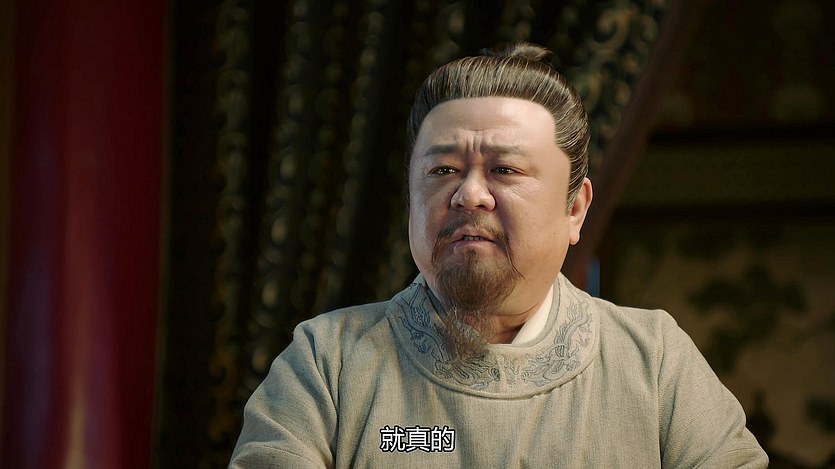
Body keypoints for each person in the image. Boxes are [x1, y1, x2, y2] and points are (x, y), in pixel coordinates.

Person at [229, 43, 768, 468]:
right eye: (443, 170)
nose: (469, 194)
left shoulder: (653, 362)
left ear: (575, 208)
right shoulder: (329, 362)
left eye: (505, 170)